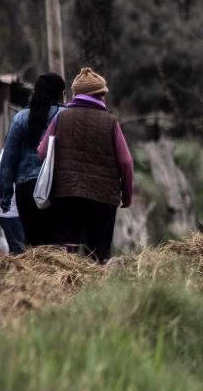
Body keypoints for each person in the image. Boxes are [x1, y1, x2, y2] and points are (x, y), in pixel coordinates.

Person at [36, 68, 133, 263]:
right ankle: (94, 290)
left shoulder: (61, 118)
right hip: (103, 198)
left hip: (66, 194)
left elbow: (42, 152)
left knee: (65, 250)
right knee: (98, 254)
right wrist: (127, 195)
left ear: (76, 94)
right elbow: (126, 162)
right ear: (100, 95)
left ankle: (66, 287)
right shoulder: (111, 122)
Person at [0, 71, 66, 253]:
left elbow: (9, 159)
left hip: (26, 190)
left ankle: (38, 281)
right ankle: (57, 279)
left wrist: (5, 195)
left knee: (33, 245)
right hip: (58, 189)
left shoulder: (20, 118)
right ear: (61, 93)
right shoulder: (67, 116)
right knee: (57, 244)